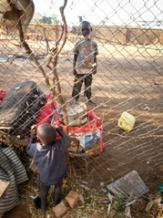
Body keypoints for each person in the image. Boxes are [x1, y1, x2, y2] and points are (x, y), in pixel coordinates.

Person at [26, 123, 71, 217]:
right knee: (58, 188)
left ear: (38, 139)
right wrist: (60, 130)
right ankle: (56, 203)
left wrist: (32, 136)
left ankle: (43, 207)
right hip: (58, 176)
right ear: (56, 138)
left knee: (44, 190)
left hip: (45, 177)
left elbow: (28, 148)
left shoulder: (35, 148)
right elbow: (68, 139)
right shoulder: (59, 147)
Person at [71, 21, 98, 105]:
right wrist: (74, 68)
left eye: (87, 29)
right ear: (80, 31)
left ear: (91, 30)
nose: (85, 31)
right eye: (83, 30)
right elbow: (75, 56)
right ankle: (75, 99)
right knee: (77, 85)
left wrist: (95, 67)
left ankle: (88, 98)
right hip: (79, 69)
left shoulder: (93, 44)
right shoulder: (78, 43)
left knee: (88, 85)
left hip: (89, 69)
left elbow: (95, 57)